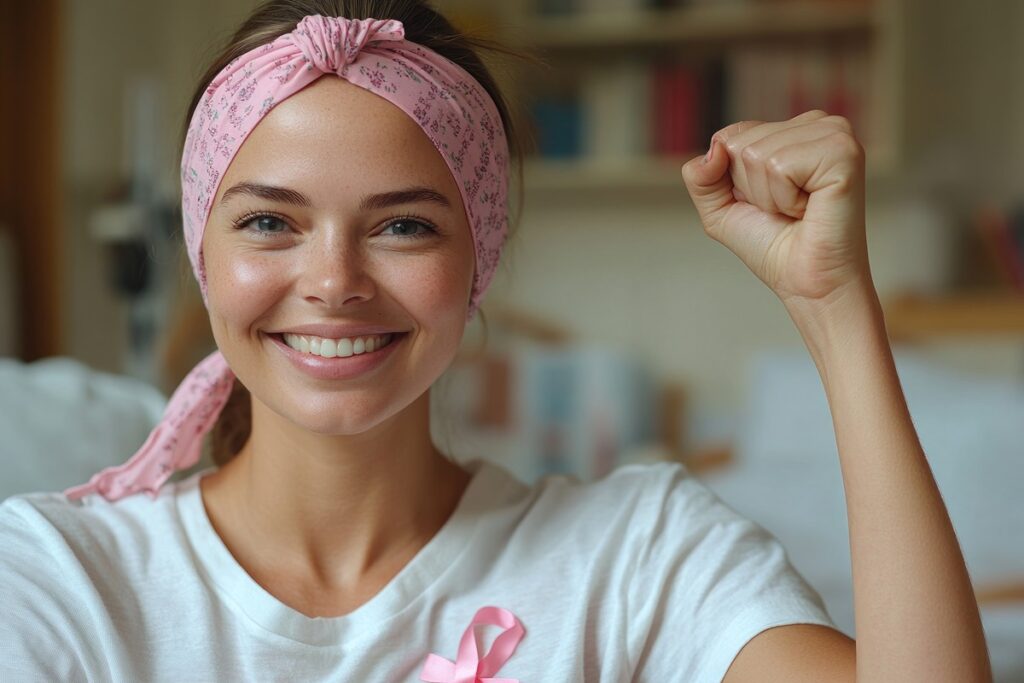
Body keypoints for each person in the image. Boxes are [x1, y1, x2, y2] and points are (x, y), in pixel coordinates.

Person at [0, 1, 992, 681]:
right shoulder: (56, 576)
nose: (335, 281)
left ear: (480, 254)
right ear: (202, 253)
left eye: (403, 225)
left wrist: (834, 306)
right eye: (269, 222)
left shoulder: (638, 556)